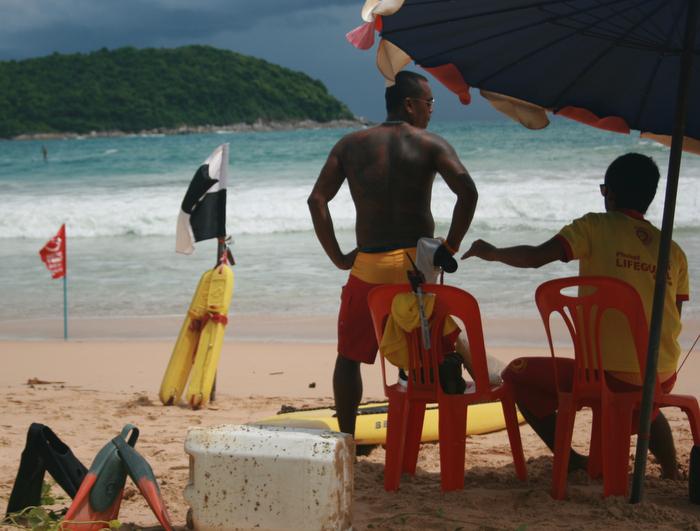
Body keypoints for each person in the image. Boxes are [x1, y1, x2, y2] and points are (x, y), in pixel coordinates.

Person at [461, 152, 689, 479]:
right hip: (661, 376)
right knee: (643, 394)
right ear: (650, 198)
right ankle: (670, 471)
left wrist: (493, 253)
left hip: (603, 378)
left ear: (608, 192)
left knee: (516, 375)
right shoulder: (674, 251)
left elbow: (538, 257)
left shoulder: (594, 226)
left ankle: (570, 458)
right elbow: (672, 319)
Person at [307, 70, 478, 439]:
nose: (432, 110)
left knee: (349, 357)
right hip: (414, 269)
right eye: (429, 103)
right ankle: (438, 402)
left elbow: (316, 200)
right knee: (431, 347)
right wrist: (450, 246)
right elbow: (468, 192)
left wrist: (338, 257)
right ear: (409, 104)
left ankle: (347, 438)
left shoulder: (350, 145)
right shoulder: (430, 144)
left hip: (367, 268)